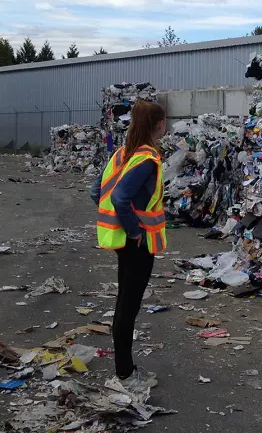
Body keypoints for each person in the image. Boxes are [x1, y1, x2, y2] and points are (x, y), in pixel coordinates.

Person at [90, 100, 168, 389]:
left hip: (124, 242)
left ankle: (125, 368)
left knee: (124, 301)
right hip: (138, 243)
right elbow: (121, 197)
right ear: (158, 124)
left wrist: (119, 221)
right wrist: (134, 229)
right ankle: (124, 373)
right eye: (165, 121)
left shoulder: (123, 154)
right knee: (128, 306)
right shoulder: (147, 159)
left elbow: (96, 190)